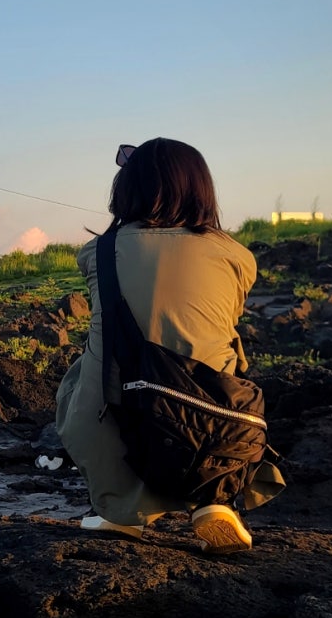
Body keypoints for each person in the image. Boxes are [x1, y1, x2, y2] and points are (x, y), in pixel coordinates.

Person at [56, 138, 284, 553]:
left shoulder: (97, 253)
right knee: (222, 355)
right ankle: (214, 500)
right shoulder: (237, 257)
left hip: (120, 419)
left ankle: (121, 510)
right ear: (202, 189)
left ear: (126, 189)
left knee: (85, 374)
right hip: (217, 430)